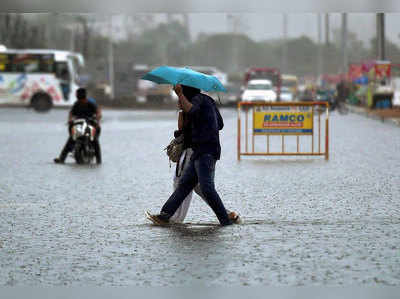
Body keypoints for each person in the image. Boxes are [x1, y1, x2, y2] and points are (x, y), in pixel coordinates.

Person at [149, 84, 234, 226]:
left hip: (206, 151)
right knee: (184, 185)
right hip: (199, 151)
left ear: (187, 91)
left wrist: (180, 94)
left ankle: (226, 220)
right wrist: (199, 119)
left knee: (207, 188)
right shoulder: (207, 101)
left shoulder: (198, 99)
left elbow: (193, 111)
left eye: (183, 92)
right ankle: (164, 215)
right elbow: (220, 124)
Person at [170, 108, 241, 224]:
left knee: (181, 182)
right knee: (199, 187)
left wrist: (183, 112)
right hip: (201, 151)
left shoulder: (193, 106)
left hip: (192, 151)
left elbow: (182, 129)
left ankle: (175, 218)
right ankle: (227, 214)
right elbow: (219, 124)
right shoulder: (203, 106)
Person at [54, 88, 102, 164]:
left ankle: (99, 160)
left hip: (89, 123)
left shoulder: (90, 104)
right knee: (71, 139)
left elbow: (98, 111)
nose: (78, 96)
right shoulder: (76, 104)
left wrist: (97, 118)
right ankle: (61, 159)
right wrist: (70, 120)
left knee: (94, 140)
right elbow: (71, 113)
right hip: (78, 124)